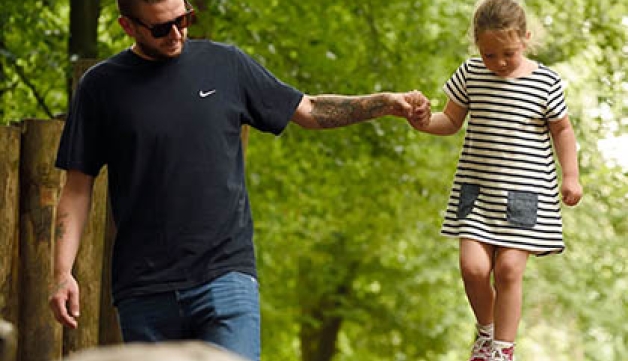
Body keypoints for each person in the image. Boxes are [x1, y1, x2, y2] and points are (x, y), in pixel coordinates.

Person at [48, 0, 430, 360]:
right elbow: (77, 189)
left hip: (225, 279)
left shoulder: (226, 65)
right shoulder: (100, 88)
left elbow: (310, 110)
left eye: (184, 19)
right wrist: (62, 273)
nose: (178, 33)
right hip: (144, 290)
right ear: (127, 26)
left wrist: (383, 103)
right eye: (162, 28)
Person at [407, 0, 582, 360]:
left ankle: (503, 350)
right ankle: (485, 333)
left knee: (507, 270)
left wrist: (571, 176)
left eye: (508, 53)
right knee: (472, 268)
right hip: (478, 191)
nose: (499, 62)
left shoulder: (545, 82)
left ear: (526, 40)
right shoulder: (471, 74)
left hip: (527, 193)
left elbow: (562, 130)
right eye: (489, 54)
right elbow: (450, 121)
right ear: (476, 47)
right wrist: (423, 121)